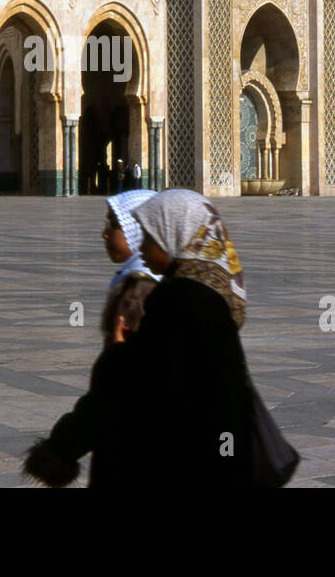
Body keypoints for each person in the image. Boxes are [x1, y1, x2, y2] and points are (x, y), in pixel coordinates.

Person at [22, 189, 257, 488]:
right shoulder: (213, 298)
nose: (141, 245)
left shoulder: (177, 301)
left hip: (149, 465)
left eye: (149, 236)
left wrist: (118, 354)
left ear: (176, 235)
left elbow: (130, 388)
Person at [99, 189, 159, 349]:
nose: (105, 234)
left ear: (138, 227)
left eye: (114, 224)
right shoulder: (157, 276)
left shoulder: (138, 288)